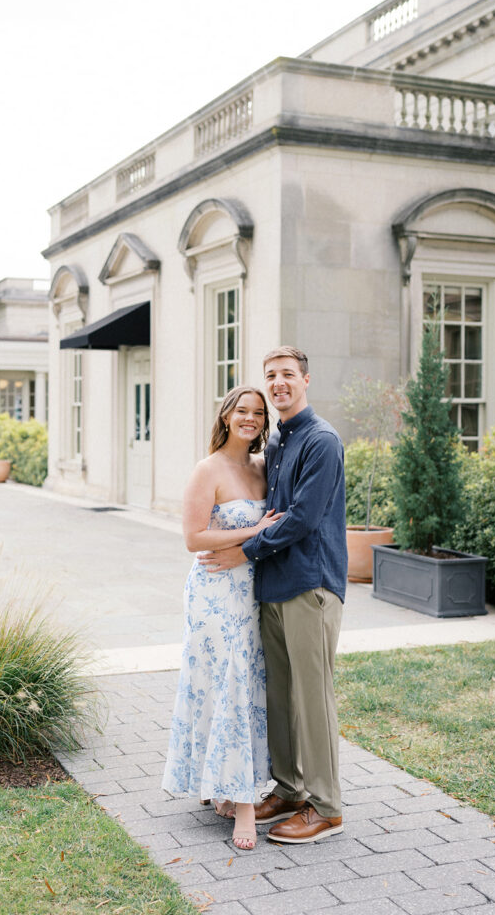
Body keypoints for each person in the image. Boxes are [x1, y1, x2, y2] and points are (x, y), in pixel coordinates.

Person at [200, 347, 348, 844]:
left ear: (306, 378)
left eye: (287, 374)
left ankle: (326, 807)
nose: (279, 383)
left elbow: (303, 519)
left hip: (312, 586)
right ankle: (289, 789)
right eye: (270, 376)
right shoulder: (280, 440)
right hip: (273, 586)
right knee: (282, 700)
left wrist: (245, 551)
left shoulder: (321, 440)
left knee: (313, 699)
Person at [162, 385, 284, 850]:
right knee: (229, 684)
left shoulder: (261, 468)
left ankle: (224, 786)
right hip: (214, 594)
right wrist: (255, 532)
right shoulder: (207, 468)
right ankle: (245, 807)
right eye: (243, 411)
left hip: (253, 591)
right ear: (227, 416)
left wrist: (250, 543)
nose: (251, 418)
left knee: (246, 687)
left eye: (259, 412)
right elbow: (193, 538)